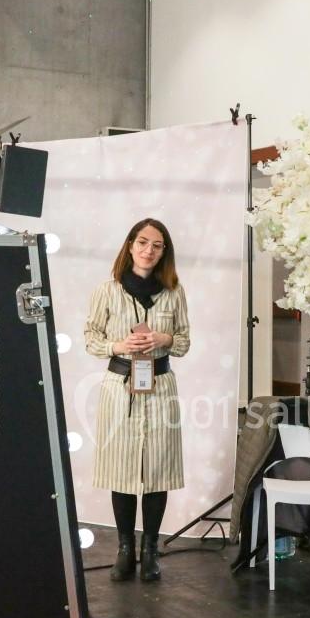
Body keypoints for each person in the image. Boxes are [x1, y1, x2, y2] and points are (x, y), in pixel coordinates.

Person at [85, 218, 191, 581]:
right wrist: (118, 345)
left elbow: (184, 341)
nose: (149, 250)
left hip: (161, 385)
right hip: (120, 386)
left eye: (157, 245)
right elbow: (90, 336)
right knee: (123, 470)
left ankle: (151, 551)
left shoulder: (173, 291)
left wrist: (163, 339)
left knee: (158, 470)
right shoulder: (108, 290)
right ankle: (125, 549)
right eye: (143, 242)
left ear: (164, 252)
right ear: (130, 245)